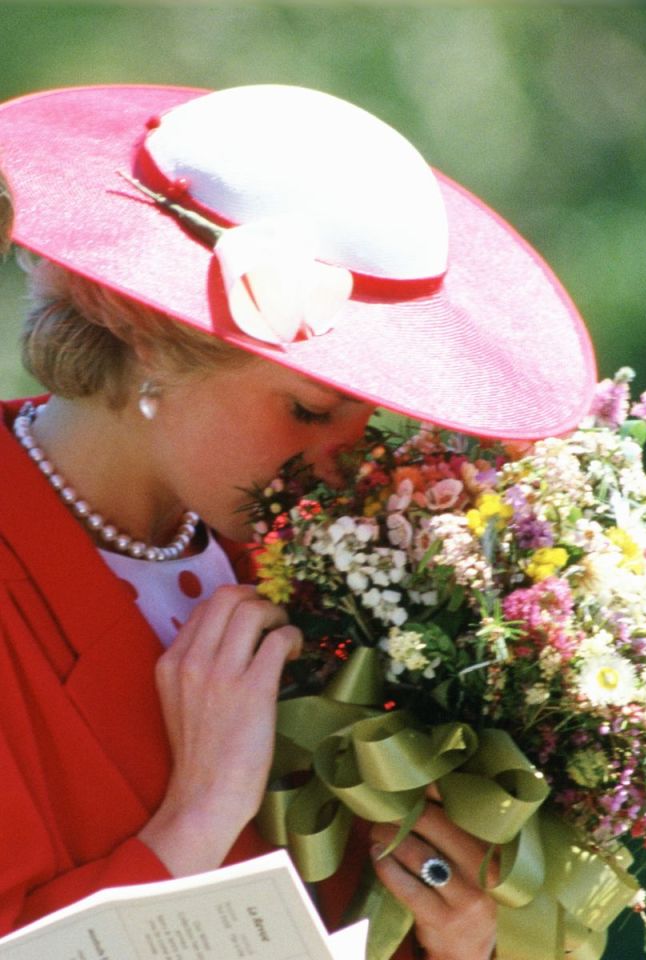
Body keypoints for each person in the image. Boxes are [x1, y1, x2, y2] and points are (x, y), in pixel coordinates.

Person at [0, 83, 597, 959]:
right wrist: (196, 822)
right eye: (311, 413)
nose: (353, 464)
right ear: (147, 333)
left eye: (371, 419)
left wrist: (459, 941)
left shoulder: (351, 582)